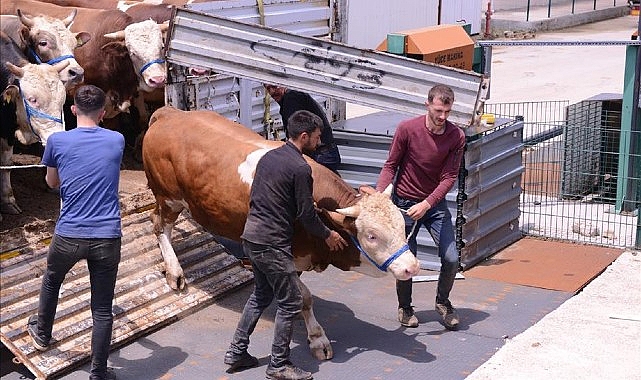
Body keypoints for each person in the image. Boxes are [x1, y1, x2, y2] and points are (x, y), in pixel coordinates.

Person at [225, 110, 347, 380]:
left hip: (252, 237)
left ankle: (236, 352)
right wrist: (328, 234)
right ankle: (278, 364)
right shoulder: (301, 167)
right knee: (291, 302)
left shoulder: (271, 156)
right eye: (316, 137)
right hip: (272, 243)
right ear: (304, 136)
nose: (319, 141)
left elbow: (267, 194)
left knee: (261, 296)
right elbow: (306, 216)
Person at [27, 85, 125, 380]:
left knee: (52, 280)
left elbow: (52, 182)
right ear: (104, 113)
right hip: (107, 235)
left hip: (69, 234)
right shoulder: (117, 140)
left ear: (72, 110)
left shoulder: (57, 141)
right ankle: (98, 372)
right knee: (102, 309)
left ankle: (42, 333)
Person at [376, 84, 464, 330]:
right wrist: (381, 193)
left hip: (433, 206)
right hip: (404, 206)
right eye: (438, 110)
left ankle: (443, 302)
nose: (442, 117)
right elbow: (391, 165)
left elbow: (449, 177)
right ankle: (405, 308)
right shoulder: (407, 129)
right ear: (427, 105)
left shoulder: (456, 137)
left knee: (451, 258)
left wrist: (427, 204)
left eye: (447, 111)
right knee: (405, 263)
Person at [264, 84, 341, 173]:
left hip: (322, 154)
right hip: (324, 153)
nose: (272, 91)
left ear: (283, 83)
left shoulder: (292, 98)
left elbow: (296, 133)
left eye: (274, 87)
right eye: (268, 88)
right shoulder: (290, 97)